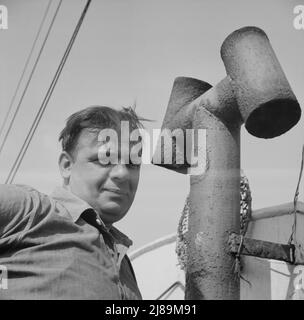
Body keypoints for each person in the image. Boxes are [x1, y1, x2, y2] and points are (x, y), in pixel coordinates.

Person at [0, 105, 144, 299]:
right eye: (105, 159)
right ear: (67, 166)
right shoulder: (32, 212)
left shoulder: (124, 264)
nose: (122, 173)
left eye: (133, 164)